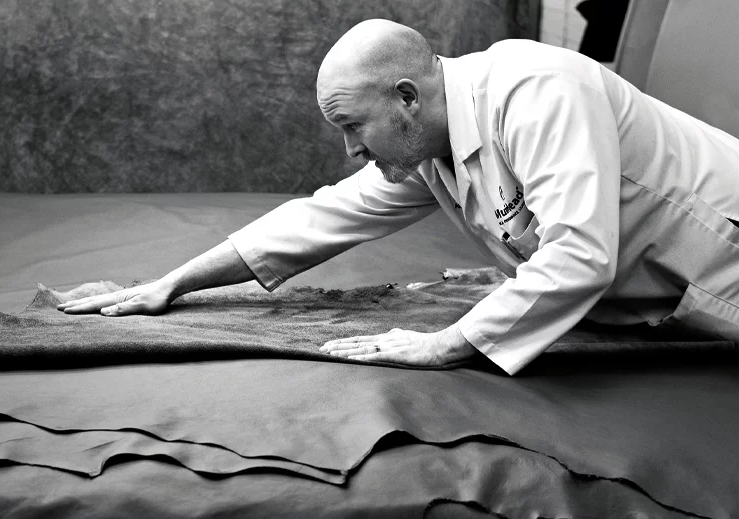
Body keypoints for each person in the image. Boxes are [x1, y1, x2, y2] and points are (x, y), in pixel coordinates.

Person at [58, 19, 739, 375]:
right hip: (659, 294)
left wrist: (446, 343)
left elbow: (580, 254)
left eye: (353, 127)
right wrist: (173, 283)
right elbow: (325, 215)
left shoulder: (537, 91)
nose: (350, 149)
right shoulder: (429, 143)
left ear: (406, 98)